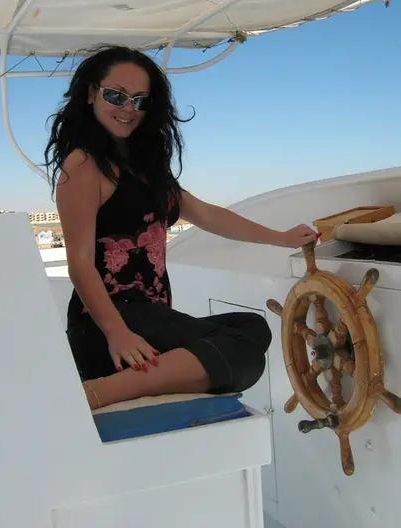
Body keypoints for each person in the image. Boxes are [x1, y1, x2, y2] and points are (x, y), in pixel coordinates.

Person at [44, 45, 318, 411]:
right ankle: (96, 394)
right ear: (92, 93)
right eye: (116, 96)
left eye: (140, 100)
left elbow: (206, 214)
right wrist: (117, 333)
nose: (129, 108)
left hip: (149, 320)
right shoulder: (83, 164)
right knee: (241, 350)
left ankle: (122, 385)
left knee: (252, 329)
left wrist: (280, 238)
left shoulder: (145, 169)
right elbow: (79, 263)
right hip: (105, 326)